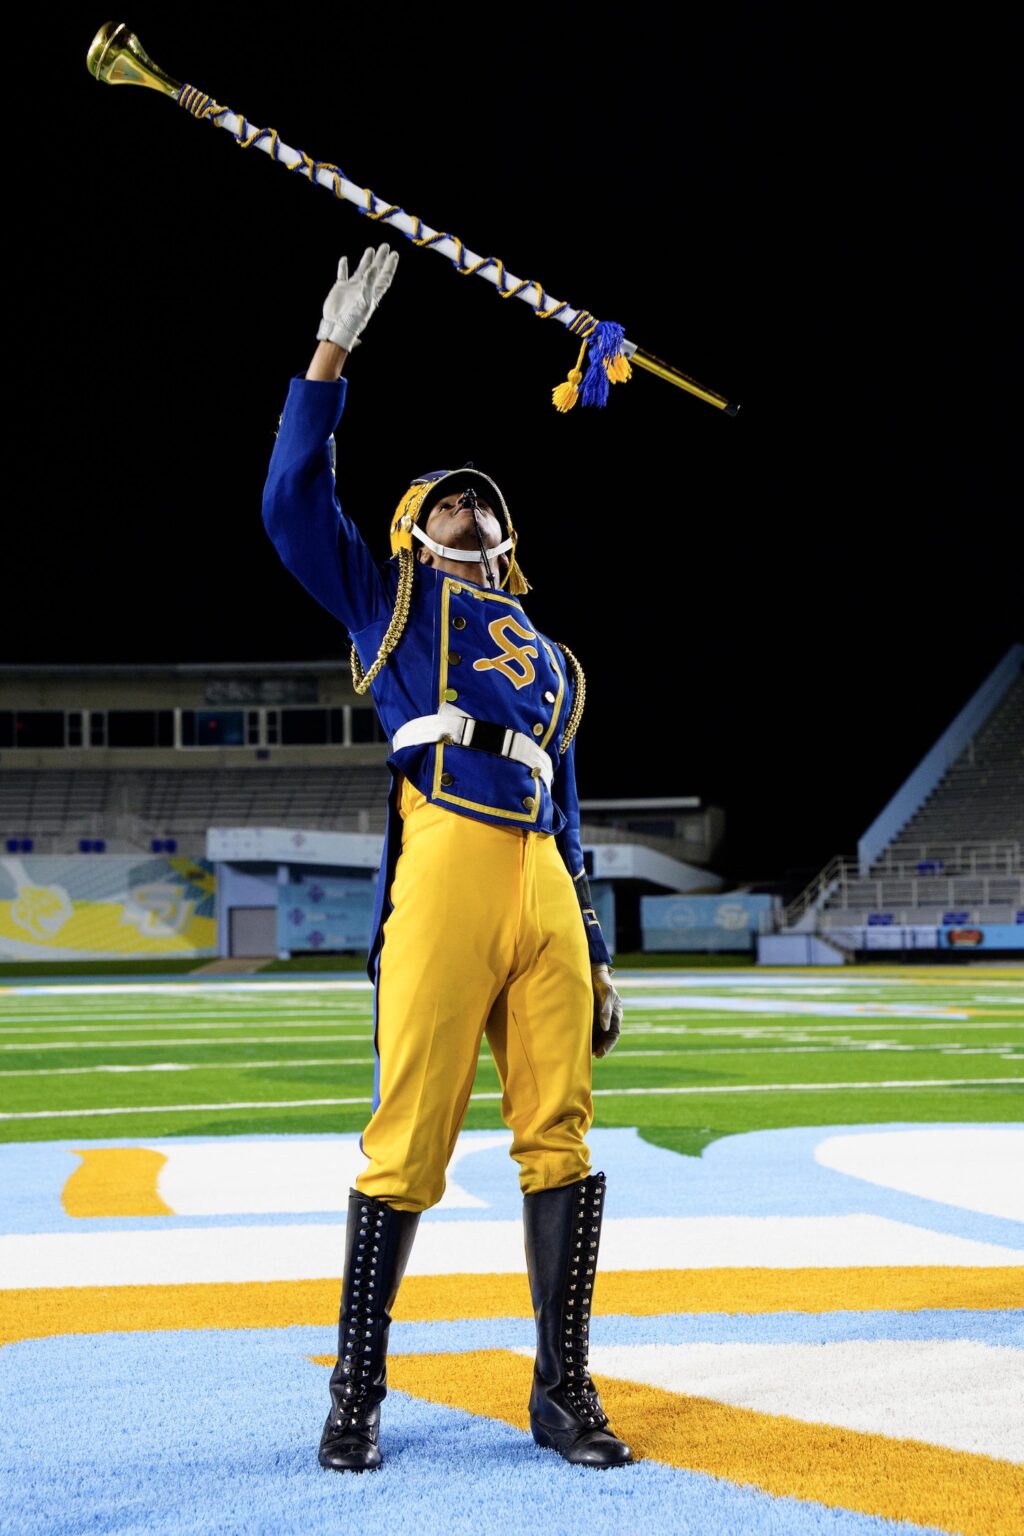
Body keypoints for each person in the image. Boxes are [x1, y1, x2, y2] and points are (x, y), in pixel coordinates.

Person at [262, 245, 630, 1473]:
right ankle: (356, 1391)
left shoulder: (558, 658)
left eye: (480, 497)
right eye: (444, 497)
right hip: (446, 864)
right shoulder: (391, 603)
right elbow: (288, 506)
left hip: (541, 884)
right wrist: (331, 357)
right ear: (413, 528)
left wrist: (596, 939)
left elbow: (568, 810)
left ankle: (561, 1390)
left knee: (561, 1135)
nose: (465, 504)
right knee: (407, 1138)